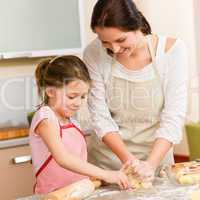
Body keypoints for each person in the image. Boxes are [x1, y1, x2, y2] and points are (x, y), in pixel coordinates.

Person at [83, 0, 188, 180]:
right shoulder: (93, 53)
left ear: (137, 26)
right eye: (105, 43)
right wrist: (130, 162)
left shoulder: (171, 51)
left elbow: (173, 115)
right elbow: (100, 117)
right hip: (108, 168)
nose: (115, 49)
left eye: (121, 40)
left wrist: (150, 165)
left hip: (157, 163)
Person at [29, 55, 130, 194]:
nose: (78, 103)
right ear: (50, 91)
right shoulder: (46, 118)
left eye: (83, 97)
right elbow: (63, 158)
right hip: (54, 195)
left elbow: (77, 165)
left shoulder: (72, 121)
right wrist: (105, 174)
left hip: (77, 193)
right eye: (72, 96)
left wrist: (100, 177)